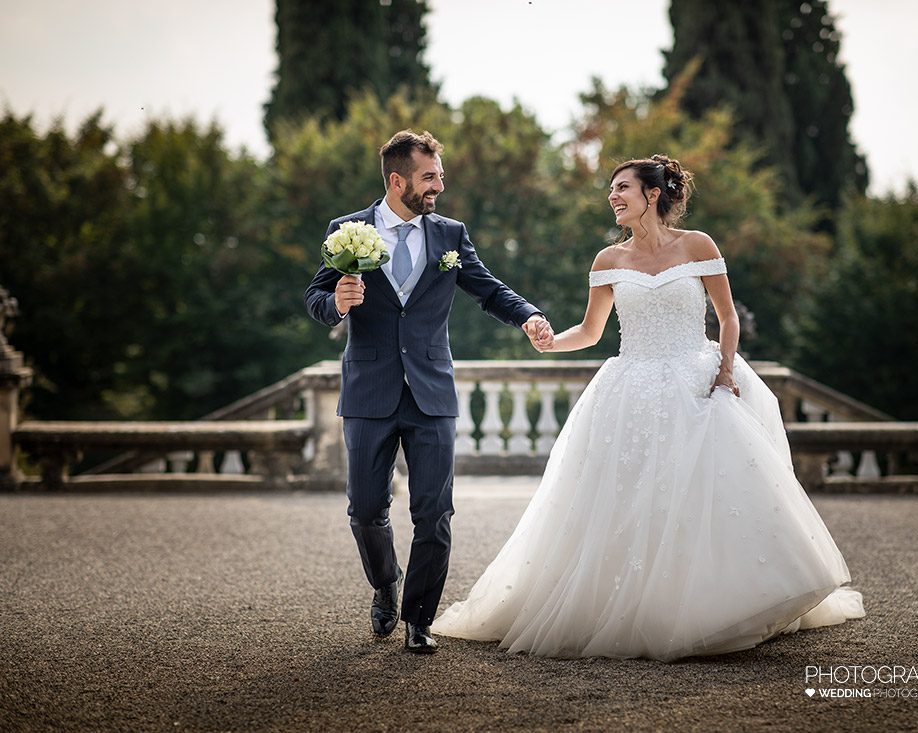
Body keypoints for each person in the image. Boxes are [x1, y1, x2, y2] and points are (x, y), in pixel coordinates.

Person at [433, 155, 865, 660]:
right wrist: (549, 340)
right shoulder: (607, 261)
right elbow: (592, 332)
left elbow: (727, 318)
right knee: (633, 496)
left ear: (652, 194)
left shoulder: (698, 246)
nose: (613, 197)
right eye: (611, 190)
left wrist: (725, 369)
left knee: (713, 492)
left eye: (622, 188)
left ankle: (725, 601)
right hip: (631, 386)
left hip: (697, 381)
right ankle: (644, 607)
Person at [304, 130, 553, 654]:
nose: (440, 184)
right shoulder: (347, 231)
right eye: (430, 176)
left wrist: (528, 315)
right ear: (398, 180)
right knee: (365, 509)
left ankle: (420, 618)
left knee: (434, 512)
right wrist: (338, 302)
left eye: (439, 174)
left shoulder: (450, 234)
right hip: (369, 391)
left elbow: (487, 288)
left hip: (432, 392)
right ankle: (385, 582)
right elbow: (316, 295)